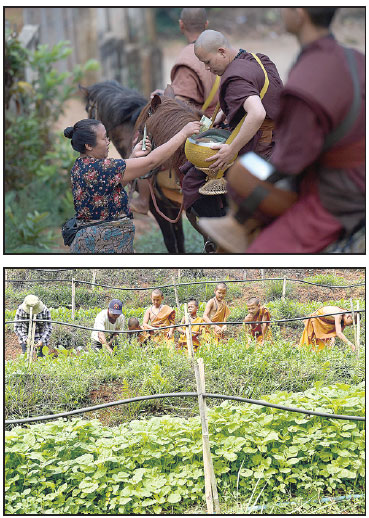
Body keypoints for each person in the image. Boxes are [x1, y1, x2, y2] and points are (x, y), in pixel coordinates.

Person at [212, 8, 365, 253]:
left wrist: (239, 174)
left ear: (299, 12)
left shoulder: (305, 82)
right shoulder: (355, 58)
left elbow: (288, 163)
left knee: (261, 249)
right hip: (358, 174)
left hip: (338, 195)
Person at [182, 29, 283, 220]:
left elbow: (258, 113)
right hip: (283, 138)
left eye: (208, 62)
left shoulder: (234, 77)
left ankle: (220, 238)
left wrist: (231, 149)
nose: (207, 69)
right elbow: (262, 93)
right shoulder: (257, 59)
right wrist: (227, 110)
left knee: (192, 182)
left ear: (222, 51)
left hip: (261, 149)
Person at [64, 117, 201, 253]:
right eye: (104, 138)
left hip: (95, 243)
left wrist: (133, 157)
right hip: (104, 246)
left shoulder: (80, 166)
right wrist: (183, 133)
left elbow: (112, 187)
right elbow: (151, 162)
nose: (108, 142)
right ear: (88, 146)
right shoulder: (103, 167)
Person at [132, 8, 219, 215]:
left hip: (198, 126)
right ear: (206, 25)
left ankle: (143, 200)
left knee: (141, 138)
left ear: (181, 25)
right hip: (220, 120)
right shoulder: (219, 48)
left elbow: (179, 107)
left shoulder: (187, 59)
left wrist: (164, 97)